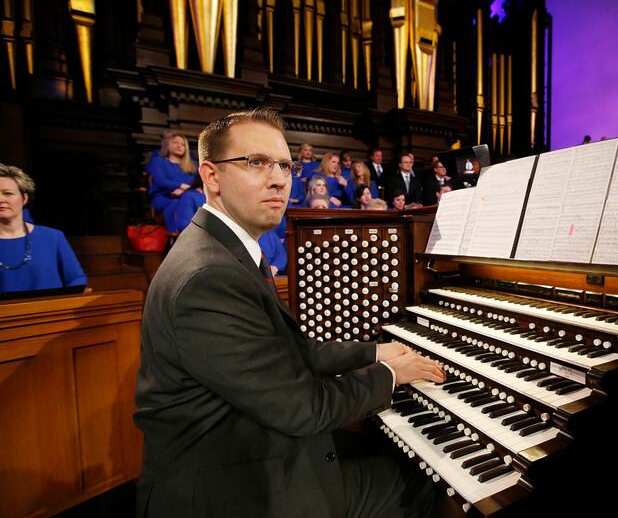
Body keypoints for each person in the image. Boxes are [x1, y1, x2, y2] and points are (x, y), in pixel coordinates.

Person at [134, 107, 443, 517]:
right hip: (225, 488)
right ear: (211, 177)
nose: (279, 178)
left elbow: (292, 352)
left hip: (247, 446)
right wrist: (391, 375)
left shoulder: (225, 249)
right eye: (256, 162)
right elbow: (304, 408)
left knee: (397, 447)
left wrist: (374, 353)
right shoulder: (207, 276)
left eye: (284, 164)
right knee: (427, 479)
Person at [0, 163, 87, 293]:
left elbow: (76, 279)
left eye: (8, 193)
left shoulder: (53, 237)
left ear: (24, 198)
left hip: (51, 311)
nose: (1, 199)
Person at [146, 131, 197, 216]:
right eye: (175, 142)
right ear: (168, 145)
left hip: (189, 195)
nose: (179, 146)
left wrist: (184, 191)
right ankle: (176, 229)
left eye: (183, 144)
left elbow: (198, 185)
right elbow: (160, 181)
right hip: (164, 196)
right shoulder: (158, 162)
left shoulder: (193, 165)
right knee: (178, 203)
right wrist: (181, 186)